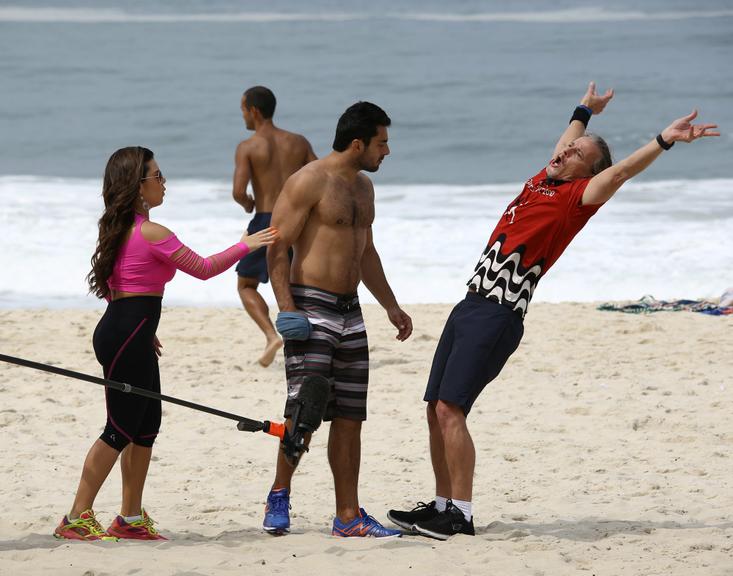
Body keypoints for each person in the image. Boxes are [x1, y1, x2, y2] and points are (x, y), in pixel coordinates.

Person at [388, 82, 719, 540]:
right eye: (567, 148)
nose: (564, 152)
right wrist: (585, 110)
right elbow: (568, 141)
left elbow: (620, 173)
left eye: (576, 153)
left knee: (451, 408)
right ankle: (441, 505)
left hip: (498, 314)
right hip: (469, 305)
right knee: (434, 408)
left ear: (586, 172)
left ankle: (459, 515)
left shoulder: (575, 201)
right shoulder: (541, 180)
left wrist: (664, 139)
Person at [53, 146, 277, 541]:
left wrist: (141, 327)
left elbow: (116, 285)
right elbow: (205, 269)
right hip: (125, 336)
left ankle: (130, 518)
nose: (164, 182)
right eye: (157, 176)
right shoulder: (152, 233)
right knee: (119, 429)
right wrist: (248, 244)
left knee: (145, 428)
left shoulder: (123, 230)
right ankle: (76, 517)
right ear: (138, 186)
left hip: (128, 334)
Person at [262, 102, 413, 538]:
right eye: (382, 143)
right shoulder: (308, 182)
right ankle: (279, 494)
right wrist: (288, 308)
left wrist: (390, 305)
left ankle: (347, 516)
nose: (387, 151)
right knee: (304, 409)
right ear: (357, 143)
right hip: (311, 306)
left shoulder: (365, 189)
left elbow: (365, 252)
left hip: (351, 311)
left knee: (350, 416)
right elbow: (276, 249)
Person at [232, 86, 317, 367]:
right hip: (297, 219)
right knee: (295, 286)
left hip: (266, 219)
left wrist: (247, 205)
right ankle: (304, 345)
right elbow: (320, 176)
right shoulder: (299, 142)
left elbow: (238, 191)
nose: (242, 114)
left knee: (246, 284)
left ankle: (271, 335)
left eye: (243, 109)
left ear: (254, 110)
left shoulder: (248, 147)